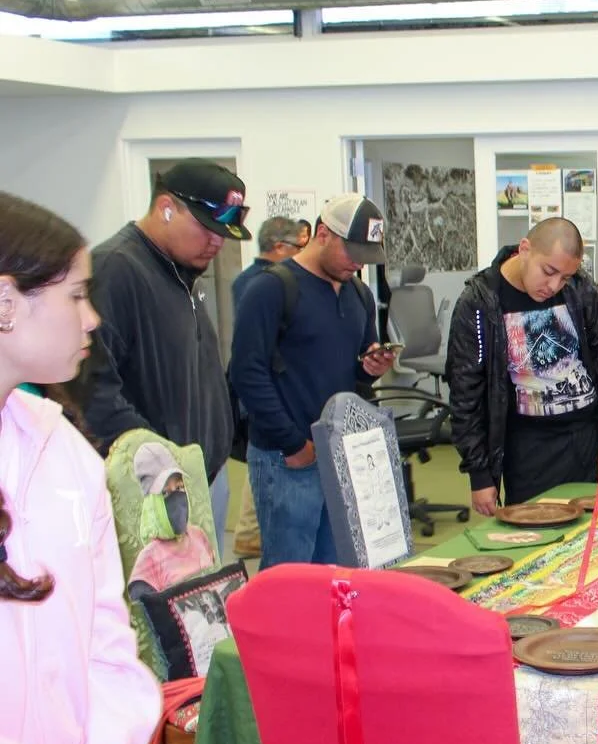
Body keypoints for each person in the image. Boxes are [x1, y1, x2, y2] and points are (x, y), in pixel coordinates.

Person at [0, 191, 160, 744]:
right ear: (6, 301)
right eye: (73, 295)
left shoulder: (63, 450)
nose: (92, 318)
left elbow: (108, 646)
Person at [82, 159, 245, 547]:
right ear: (165, 208)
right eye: (206, 228)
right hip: (159, 489)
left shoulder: (179, 270)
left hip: (202, 478)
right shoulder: (116, 269)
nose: (216, 242)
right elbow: (93, 392)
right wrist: (161, 468)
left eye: (222, 232)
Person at [230, 194, 395, 569]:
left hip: (339, 454)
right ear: (322, 233)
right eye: (351, 252)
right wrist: (293, 444)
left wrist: (369, 368)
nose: (357, 263)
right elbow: (246, 372)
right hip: (286, 458)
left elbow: (353, 377)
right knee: (290, 578)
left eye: (365, 256)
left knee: (336, 571)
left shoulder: (359, 294)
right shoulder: (271, 289)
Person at [448, 218, 598, 515]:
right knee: (540, 544)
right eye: (549, 272)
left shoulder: (581, 290)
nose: (554, 285)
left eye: (565, 277)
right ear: (524, 249)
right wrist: (479, 474)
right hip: (528, 449)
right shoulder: (480, 302)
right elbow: (465, 391)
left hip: (587, 441)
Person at [230, 216, 303, 559]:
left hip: (266, 393)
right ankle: (248, 533)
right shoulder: (263, 284)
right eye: (298, 248)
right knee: (262, 464)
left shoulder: (248, 279)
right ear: (279, 247)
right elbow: (254, 360)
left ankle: (247, 533)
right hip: (265, 395)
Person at [126, 442, 217, 603]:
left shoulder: (199, 536)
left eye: (180, 488)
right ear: (152, 504)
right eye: (166, 493)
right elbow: (149, 621)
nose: (177, 499)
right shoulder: (148, 561)